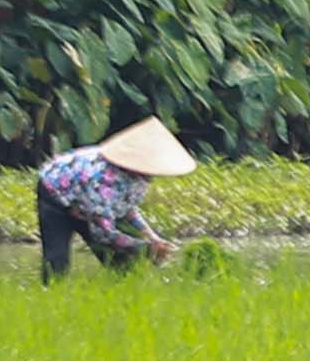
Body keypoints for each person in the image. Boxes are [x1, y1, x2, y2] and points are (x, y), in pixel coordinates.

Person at [32, 118, 191, 278]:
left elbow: (127, 208)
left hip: (88, 200)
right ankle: (52, 289)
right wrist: (145, 247)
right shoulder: (103, 181)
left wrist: (152, 236)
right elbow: (105, 234)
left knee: (122, 264)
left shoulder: (140, 177)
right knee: (57, 261)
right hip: (55, 191)